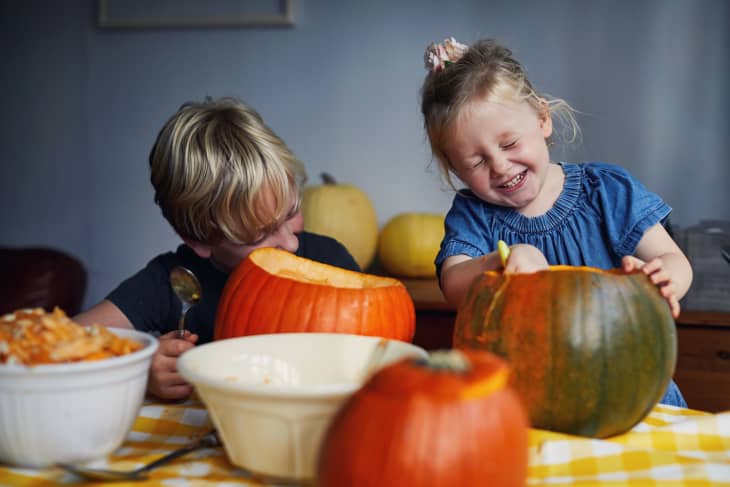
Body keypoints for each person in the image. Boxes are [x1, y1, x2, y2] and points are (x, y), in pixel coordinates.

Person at [420, 38, 693, 407]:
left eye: (509, 143)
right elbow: (453, 283)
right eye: (477, 162)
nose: (500, 166)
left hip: (631, 386)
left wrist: (663, 278)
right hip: (533, 397)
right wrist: (502, 259)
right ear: (456, 169)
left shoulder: (606, 192)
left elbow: (675, 260)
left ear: (543, 120)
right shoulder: (474, 215)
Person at [74, 97, 360, 400]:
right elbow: (62, 345)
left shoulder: (331, 261)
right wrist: (138, 369)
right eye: (257, 236)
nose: (290, 242)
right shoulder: (174, 283)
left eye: (291, 213)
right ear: (198, 240)